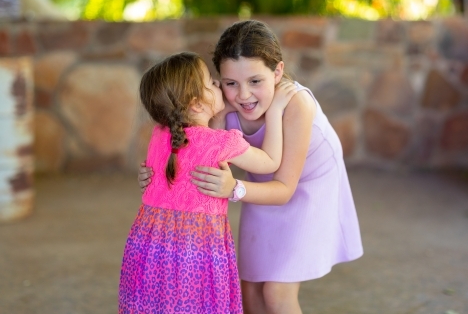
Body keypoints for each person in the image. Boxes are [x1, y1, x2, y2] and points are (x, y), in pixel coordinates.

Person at [138, 20, 363, 314]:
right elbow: (197, 148)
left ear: (278, 72)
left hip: (307, 189)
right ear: (219, 80)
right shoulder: (219, 104)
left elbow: (283, 190)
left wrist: (235, 188)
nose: (243, 95)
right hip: (257, 187)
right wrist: (156, 172)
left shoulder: (295, 104)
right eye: (231, 83)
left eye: (255, 81)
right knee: (250, 289)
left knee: (277, 292)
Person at [120, 51, 297, 314]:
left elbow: (158, 176)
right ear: (196, 104)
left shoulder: (159, 134)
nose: (219, 85)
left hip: (149, 249)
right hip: (195, 252)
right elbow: (270, 160)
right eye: (212, 84)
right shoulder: (221, 143)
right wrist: (277, 109)